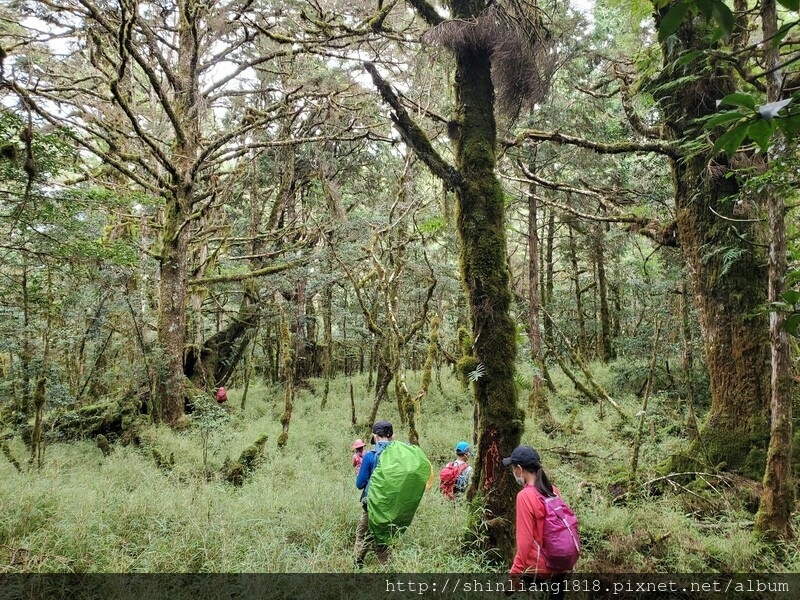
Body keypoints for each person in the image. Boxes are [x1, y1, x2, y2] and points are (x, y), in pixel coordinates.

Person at [502, 445, 570, 599]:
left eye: (513, 468)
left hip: (538, 570)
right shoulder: (553, 490)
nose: (513, 472)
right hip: (559, 565)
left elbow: (525, 542)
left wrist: (514, 574)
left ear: (519, 469)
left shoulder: (525, 496)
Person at [354, 419, 394, 567]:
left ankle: (357, 566)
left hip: (372, 504)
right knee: (383, 536)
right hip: (391, 505)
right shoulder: (399, 456)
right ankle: (386, 569)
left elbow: (359, 484)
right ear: (392, 436)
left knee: (362, 534)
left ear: (375, 436)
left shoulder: (370, 456)